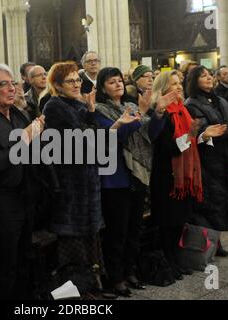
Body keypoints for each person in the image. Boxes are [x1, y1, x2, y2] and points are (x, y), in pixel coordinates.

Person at [0, 64, 45, 299]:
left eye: (13, 83)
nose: (12, 88)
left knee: (26, 259)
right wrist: (25, 138)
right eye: (3, 84)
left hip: (26, 197)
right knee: (6, 266)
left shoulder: (19, 114)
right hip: (0, 203)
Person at [150, 70, 227, 279]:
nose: (178, 87)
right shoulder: (161, 113)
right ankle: (168, 261)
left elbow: (188, 143)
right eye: (173, 84)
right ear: (163, 88)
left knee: (179, 222)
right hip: (168, 177)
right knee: (168, 223)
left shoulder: (182, 110)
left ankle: (176, 259)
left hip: (184, 177)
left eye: (179, 84)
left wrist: (202, 136)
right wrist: (193, 135)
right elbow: (169, 147)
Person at [43, 62, 105, 290]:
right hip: (70, 183)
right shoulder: (55, 106)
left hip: (88, 180)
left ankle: (92, 285)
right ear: (57, 85)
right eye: (70, 81)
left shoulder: (78, 105)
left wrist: (89, 111)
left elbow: (97, 140)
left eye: (77, 80)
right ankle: (74, 289)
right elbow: (83, 139)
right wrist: (89, 118)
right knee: (72, 242)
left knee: (90, 238)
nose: (76, 84)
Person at [185, 66, 228, 258]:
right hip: (206, 160)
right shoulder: (192, 104)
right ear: (194, 81)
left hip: (223, 158)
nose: (208, 78)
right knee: (208, 204)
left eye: (208, 75)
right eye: (202, 76)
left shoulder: (220, 100)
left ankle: (217, 241)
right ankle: (208, 244)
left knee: (222, 202)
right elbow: (204, 131)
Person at [94, 67, 147, 296]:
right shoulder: (99, 110)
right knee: (117, 231)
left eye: (119, 81)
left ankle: (130, 270)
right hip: (114, 178)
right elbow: (114, 137)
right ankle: (115, 277)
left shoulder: (132, 106)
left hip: (136, 174)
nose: (118, 85)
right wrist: (140, 118)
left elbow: (147, 136)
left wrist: (156, 115)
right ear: (102, 87)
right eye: (111, 82)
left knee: (134, 228)